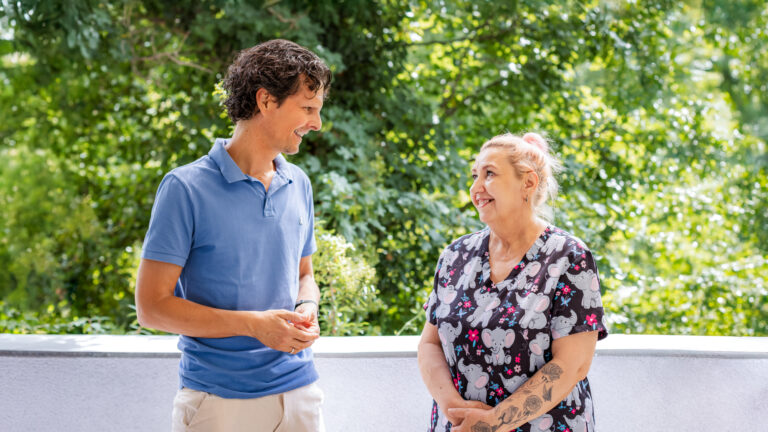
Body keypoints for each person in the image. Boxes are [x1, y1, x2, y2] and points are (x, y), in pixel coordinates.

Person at [135, 39, 331, 431]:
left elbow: (304, 275)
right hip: (219, 403)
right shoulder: (185, 188)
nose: (317, 123)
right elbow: (151, 307)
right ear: (266, 101)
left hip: (300, 395)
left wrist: (307, 307)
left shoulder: (299, 183)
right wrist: (253, 325)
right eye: (307, 108)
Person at [418, 132, 608, 432]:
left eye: (489, 174)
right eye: (474, 175)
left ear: (528, 183)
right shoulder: (456, 255)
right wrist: (454, 410)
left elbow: (573, 364)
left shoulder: (568, 257)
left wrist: (492, 424)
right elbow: (429, 343)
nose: (475, 187)